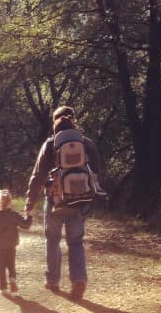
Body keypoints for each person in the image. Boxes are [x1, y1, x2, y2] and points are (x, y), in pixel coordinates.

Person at [22, 105, 102, 300]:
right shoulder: (86, 142)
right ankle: (79, 279)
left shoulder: (50, 144)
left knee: (53, 240)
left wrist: (29, 202)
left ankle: (53, 281)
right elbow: (98, 169)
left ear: (54, 122)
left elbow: (38, 175)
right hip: (80, 201)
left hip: (55, 201)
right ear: (74, 121)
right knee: (75, 242)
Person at [0, 189, 32, 295]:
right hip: (11, 245)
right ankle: (12, 280)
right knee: (11, 265)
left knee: (1, 267)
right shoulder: (14, 215)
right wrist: (29, 215)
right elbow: (26, 224)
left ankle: (3, 288)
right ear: (10, 202)